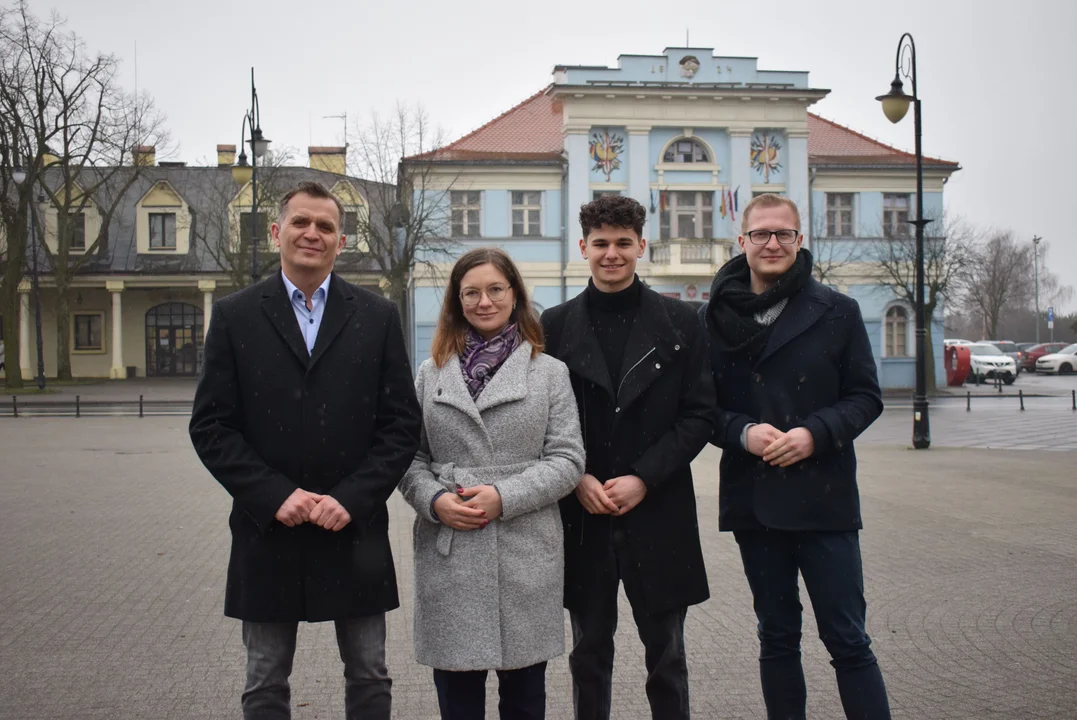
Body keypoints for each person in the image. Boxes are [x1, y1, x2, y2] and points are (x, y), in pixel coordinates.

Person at [189, 180, 421, 720]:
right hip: (270, 529)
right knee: (265, 681)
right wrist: (273, 495)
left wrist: (354, 498)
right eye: (300, 222)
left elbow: (400, 425)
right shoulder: (235, 316)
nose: (312, 234)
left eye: (325, 226)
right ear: (276, 232)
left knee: (369, 676)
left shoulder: (377, 316)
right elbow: (213, 427)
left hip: (353, 530)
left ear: (342, 241)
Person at [699, 193, 891, 719]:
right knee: (777, 637)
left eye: (784, 233)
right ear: (742, 242)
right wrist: (741, 434)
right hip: (755, 500)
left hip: (824, 498)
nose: (772, 243)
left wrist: (813, 433)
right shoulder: (712, 318)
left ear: (799, 240)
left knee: (848, 639)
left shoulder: (837, 310)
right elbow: (702, 409)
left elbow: (865, 397)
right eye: (761, 233)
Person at [541, 195, 715, 720]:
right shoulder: (553, 325)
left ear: (642, 246)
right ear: (583, 248)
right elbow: (544, 420)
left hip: (658, 510)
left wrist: (643, 477)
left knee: (667, 658)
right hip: (582, 513)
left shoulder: (682, 322)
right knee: (588, 655)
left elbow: (699, 415)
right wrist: (576, 478)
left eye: (622, 243)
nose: (611, 254)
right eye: (601, 244)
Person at [399, 247, 585, 720]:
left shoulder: (549, 373)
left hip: (524, 549)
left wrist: (504, 497)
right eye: (472, 292)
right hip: (452, 548)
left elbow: (567, 459)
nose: (485, 301)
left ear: (515, 295)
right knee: (457, 700)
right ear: (457, 302)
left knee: (525, 698)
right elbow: (407, 458)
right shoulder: (429, 373)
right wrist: (435, 500)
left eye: (495, 289)